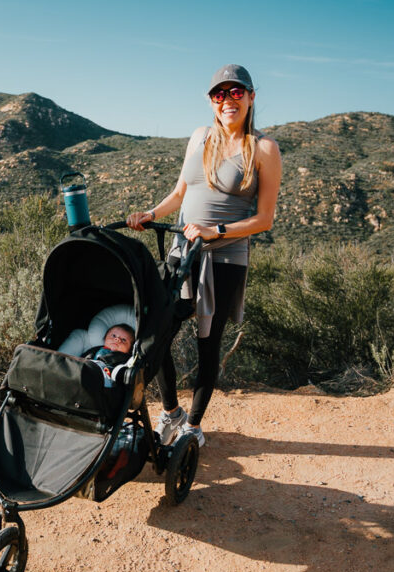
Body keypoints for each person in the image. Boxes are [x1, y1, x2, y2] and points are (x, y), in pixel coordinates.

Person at [126, 64, 282, 447]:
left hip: (225, 258)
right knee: (156, 331)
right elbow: (181, 192)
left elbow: (264, 219)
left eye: (236, 92)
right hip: (183, 250)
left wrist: (217, 232)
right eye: (219, 94)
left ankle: (193, 426)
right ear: (211, 100)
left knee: (208, 342)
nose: (227, 100)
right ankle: (170, 412)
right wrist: (151, 214)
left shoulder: (264, 149)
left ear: (250, 97)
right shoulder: (199, 138)